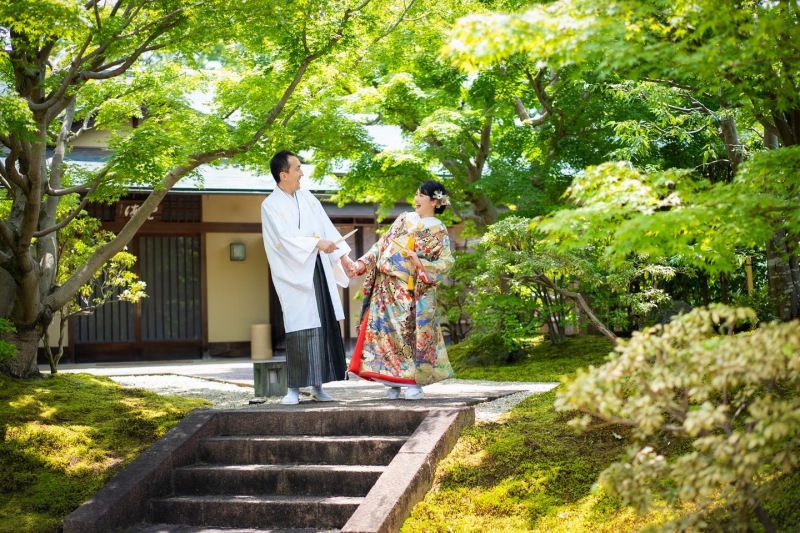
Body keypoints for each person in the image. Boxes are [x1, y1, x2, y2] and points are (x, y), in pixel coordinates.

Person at [261, 150, 356, 405]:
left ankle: (318, 386)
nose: (302, 173)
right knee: (300, 329)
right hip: (296, 275)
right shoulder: (270, 205)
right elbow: (282, 241)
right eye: (298, 168)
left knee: (323, 325)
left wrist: (343, 257)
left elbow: (326, 228)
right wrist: (316, 244)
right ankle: (293, 388)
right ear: (284, 175)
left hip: (319, 268)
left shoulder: (307, 197)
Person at [347, 180, 455, 400]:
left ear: (435, 201)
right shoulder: (404, 219)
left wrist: (420, 262)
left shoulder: (438, 229)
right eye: (415, 194)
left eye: (421, 196)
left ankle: (414, 382)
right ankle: (391, 380)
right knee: (384, 334)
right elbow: (382, 244)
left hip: (412, 289)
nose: (416, 199)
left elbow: (445, 261)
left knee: (409, 335)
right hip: (386, 286)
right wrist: (362, 264)